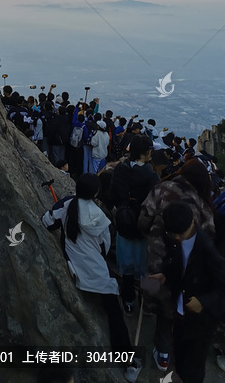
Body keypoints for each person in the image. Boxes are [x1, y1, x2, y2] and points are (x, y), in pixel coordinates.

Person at [42, 174, 141, 381]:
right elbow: (104, 248)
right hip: (97, 274)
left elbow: (48, 222)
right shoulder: (101, 218)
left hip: (74, 268)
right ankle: (129, 364)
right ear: (96, 193)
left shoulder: (67, 204)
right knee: (115, 315)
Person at [138, 158, 216, 371]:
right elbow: (209, 235)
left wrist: (149, 234)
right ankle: (166, 354)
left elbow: (144, 217)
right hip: (184, 267)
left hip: (155, 258)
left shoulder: (162, 188)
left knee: (153, 293)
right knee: (172, 307)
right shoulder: (201, 201)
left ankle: (146, 313)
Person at [150, 201, 225, 383]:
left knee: (194, 367)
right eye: (172, 233)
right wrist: (165, 275)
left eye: (180, 234)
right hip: (181, 311)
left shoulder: (207, 250)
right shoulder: (176, 237)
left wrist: (203, 302)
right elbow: (178, 263)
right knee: (180, 357)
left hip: (201, 321)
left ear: (192, 223)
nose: (176, 238)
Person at [111, 134, 159, 315]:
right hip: (144, 227)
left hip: (124, 223)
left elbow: (113, 194)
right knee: (147, 266)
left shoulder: (120, 170)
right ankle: (147, 303)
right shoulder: (151, 176)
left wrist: (124, 206)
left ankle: (128, 301)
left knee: (128, 267)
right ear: (147, 152)